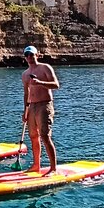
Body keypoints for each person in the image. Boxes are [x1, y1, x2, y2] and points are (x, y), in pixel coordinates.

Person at [21, 45, 60, 174]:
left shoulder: (45, 68)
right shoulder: (25, 74)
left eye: (31, 54)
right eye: (27, 55)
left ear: (37, 55)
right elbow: (26, 94)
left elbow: (56, 85)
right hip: (32, 106)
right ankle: (36, 165)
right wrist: (25, 111)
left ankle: (53, 168)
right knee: (33, 136)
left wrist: (40, 83)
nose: (29, 57)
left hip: (45, 104)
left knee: (45, 135)